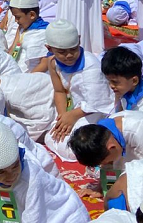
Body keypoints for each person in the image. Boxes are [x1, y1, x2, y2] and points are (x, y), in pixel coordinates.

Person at [43, 19, 116, 161]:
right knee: (51, 135)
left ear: (79, 41)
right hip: (73, 110)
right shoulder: (52, 62)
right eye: (62, 52)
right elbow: (59, 91)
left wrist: (73, 116)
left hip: (95, 111)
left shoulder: (91, 66)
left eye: (73, 49)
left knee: (72, 148)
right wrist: (63, 117)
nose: (69, 55)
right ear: (49, 49)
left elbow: (99, 102)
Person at [7, 0, 49, 73]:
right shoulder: (21, 28)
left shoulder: (44, 32)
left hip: (34, 76)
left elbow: (45, 63)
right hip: (16, 71)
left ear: (32, 15)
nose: (16, 21)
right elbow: (13, 48)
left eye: (18, 17)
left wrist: (27, 79)